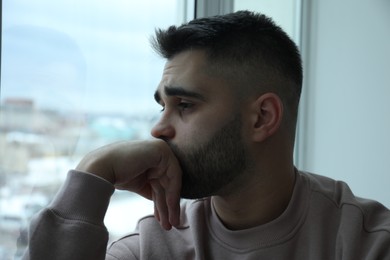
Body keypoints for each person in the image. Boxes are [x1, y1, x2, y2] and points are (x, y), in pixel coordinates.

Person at [22, 11, 390, 259]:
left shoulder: (365, 242)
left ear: (262, 117)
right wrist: (93, 172)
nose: (158, 129)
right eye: (161, 106)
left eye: (184, 105)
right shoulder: (151, 248)